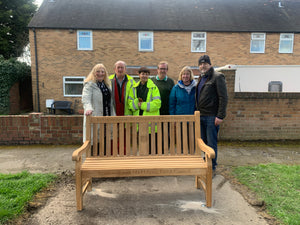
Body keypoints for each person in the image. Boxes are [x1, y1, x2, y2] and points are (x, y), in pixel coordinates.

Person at [195, 55, 228, 174]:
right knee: (203, 141)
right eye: (201, 64)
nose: (203, 66)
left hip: (211, 116)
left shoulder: (218, 77)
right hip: (201, 116)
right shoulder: (201, 77)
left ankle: (212, 167)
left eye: (205, 63)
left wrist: (220, 116)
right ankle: (206, 161)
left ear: (210, 64)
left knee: (211, 142)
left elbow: (223, 97)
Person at [128, 67, 161, 152]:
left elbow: (157, 104)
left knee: (152, 147)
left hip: (150, 122)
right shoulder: (134, 88)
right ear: (139, 75)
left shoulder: (154, 87)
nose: (144, 76)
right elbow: (130, 105)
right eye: (142, 74)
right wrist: (136, 103)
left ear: (149, 76)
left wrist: (142, 105)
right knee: (142, 146)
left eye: (146, 74)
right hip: (138, 121)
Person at [82, 63, 115, 143]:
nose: (100, 74)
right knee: (94, 140)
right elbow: (86, 99)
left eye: (102, 72)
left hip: (107, 116)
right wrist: (88, 108)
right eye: (98, 71)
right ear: (94, 73)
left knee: (106, 139)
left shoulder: (107, 85)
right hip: (95, 115)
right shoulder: (89, 85)